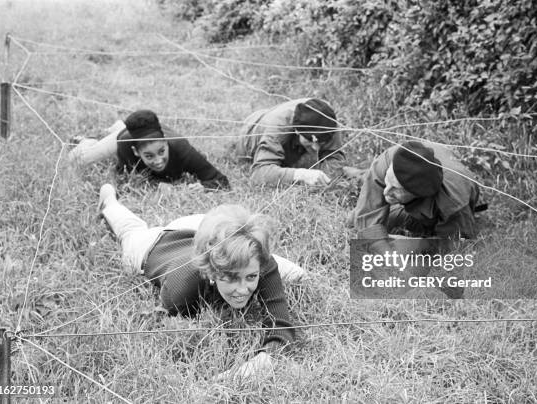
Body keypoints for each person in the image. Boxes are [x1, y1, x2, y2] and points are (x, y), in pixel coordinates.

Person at [98, 184, 306, 378]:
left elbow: (281, 325)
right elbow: (154, 320)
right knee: (129, 229)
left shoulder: (259, 261)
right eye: (231, 278)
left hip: (195, 227)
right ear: (212, 273)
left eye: (251, 277)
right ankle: (109, 199)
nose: (243, 290)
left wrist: (264, 360)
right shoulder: (181, 293)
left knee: (298, 275)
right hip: (152, 245)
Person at [353, 140, 481, 253]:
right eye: (388, 181)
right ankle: (357, 174)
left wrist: (421, 245)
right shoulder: (388, 160)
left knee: (435, 237)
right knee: (356, 220)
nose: (386, 192)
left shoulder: (453, 202)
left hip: (449, 199)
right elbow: (368, 225)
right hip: (412, 187)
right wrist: (388, 254)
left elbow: (456, 245)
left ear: (418, 195)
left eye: (396, 189)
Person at [69, 110, 230, 190]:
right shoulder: (126, 145)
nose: (158, 160)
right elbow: (123, 179)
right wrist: (156, 184)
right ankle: (86, 141)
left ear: (166, 143)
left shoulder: (181, 148)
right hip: (123, 136)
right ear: (136, 152)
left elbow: (221, 180)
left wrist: (204, 187)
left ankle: (118, 125)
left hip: (145, 132)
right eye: (149, 156)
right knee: (77, 159)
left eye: (161, 151)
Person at [236, 98, 346, 186]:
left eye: (320, 142)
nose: (316, 148)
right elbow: (259, 174)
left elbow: (335, 159)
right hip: (250, 131)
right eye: (310, 141)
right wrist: (301, 175)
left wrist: (325, 178)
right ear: (297, 131)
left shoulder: (327, 119)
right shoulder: (278, 127)